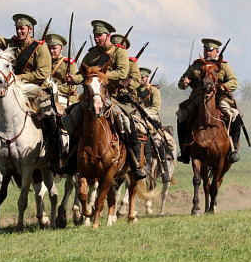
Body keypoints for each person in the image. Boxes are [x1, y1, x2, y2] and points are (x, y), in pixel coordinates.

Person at [0, 14, 63, 173]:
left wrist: (18, 77)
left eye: (22, 29)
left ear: (29, 30)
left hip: (35, 89)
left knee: (49, 116)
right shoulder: (12, 44)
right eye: (17, 28)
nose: (19, 31)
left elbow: (42, 73)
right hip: (13, 88)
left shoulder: (40, 47)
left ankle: (55, 157)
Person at [62, 20, 146, 180]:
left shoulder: (119, 52)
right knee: (71, 120)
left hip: (112, 97)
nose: (96, 38)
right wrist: (74, 78)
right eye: (95, 35)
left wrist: (101, 76)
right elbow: (83, 74)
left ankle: (136, 164)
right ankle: (70, 162)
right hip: (92, 95)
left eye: (99, 35)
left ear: (108, 36)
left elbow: (122, 73)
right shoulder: (91, 54)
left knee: (128, 123)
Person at [176, 38, 240, 164]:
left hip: (218, 97)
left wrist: (220, 87)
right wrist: (184, 83)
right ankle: (184, 150)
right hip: (199, 98)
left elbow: (234, 82)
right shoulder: (196, 65)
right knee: (181, 116)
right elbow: (181, 84)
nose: (208, 53)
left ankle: (233, 149)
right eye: (206, 50)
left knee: (235, 117)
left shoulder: (223, 65)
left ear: (217, 52)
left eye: (211, 51)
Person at [136, 67, 171, 182]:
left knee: (157, 140)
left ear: (147, 78)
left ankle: (164, 169)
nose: (141, 79)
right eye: (139, 77)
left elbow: (156, 107)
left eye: (143, 77)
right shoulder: (134, 90)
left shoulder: (153, 90)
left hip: (151, 116)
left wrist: (144, 113)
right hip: (136, 116)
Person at [45, 33, 82, 110]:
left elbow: (72, 86)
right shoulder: (44, 63)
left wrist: (55, 89)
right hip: (47, 98)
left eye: (54, 48)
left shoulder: (68, 63)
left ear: (61, 49)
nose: (51, 51)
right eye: (49, 48)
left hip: (66, 98)